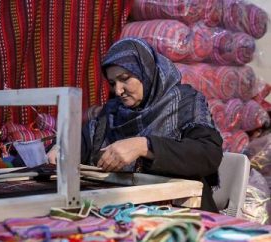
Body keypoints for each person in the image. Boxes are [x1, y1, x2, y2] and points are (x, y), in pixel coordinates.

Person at [48, 37, 223, 212]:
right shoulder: (113, 112)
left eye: (125, 78)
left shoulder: (184, 102)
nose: (118, 90)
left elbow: (208, 153)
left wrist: (144, 146)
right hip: (126, 212)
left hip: (182, 213)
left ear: (145, 71)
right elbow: (83, 140)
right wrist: (62, 146)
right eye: (112, 83)